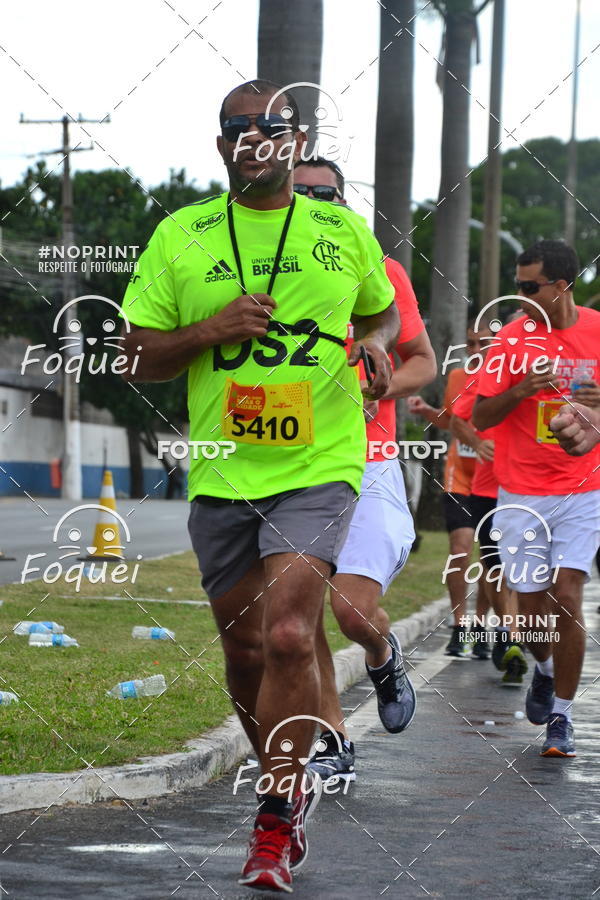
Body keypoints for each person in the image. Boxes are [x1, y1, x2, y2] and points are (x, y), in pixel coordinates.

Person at [121, 80, 399, 893]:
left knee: (286, 635)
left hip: (321, 465)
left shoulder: (342, 231)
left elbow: (380, 315)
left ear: (295, 135)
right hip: (222, 466)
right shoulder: (182, 236)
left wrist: (377, 349)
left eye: (271, 126)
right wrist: (212, 330)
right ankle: (290, 773)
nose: (256, 138)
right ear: (221, 147)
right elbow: (137, 356)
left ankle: (276, 817)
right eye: (238, 128)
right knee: (244, 652)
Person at [292, 157, 437, 782]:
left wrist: (379, 389)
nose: (315, 201)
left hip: (370, 461)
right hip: (291, 465)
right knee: (296, 615)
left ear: (344, 200)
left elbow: (423, 362)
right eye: (302, 194)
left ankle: (382, 654)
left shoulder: (379, 269)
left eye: (327, 193)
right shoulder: (256, 269)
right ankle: (332, 739)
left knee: (351, 613)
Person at [473, 239, 600, 757]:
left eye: (530, 288)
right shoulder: (510, 340)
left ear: (562, 285)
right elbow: (479, 417)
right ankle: (544, 671)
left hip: (583, 487)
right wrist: (522, 389)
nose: (521, 297)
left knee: (568, 595)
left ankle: (562, 720)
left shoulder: (596, 329)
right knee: (529, 614)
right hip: (521, 491)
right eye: (517, 287)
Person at [407, 320, 491, 657]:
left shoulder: (508, 380)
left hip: (496, 478)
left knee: (490, 557)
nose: (474, 350)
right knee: (460, 548)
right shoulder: (458, 377)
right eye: (470, 343)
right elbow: (451, 418)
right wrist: (429, 412)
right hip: (460, 476)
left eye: (482, 343)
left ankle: (482, 625)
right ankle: (459, 625)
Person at [451, 363, 524, 683]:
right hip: (488, 487)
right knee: (494, 564)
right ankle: (509, 633)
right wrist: (479, 443)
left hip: (531, 487)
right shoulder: (488, 377)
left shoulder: (552, 375)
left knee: (520, 566)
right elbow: (457, 420)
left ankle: (511, 633)